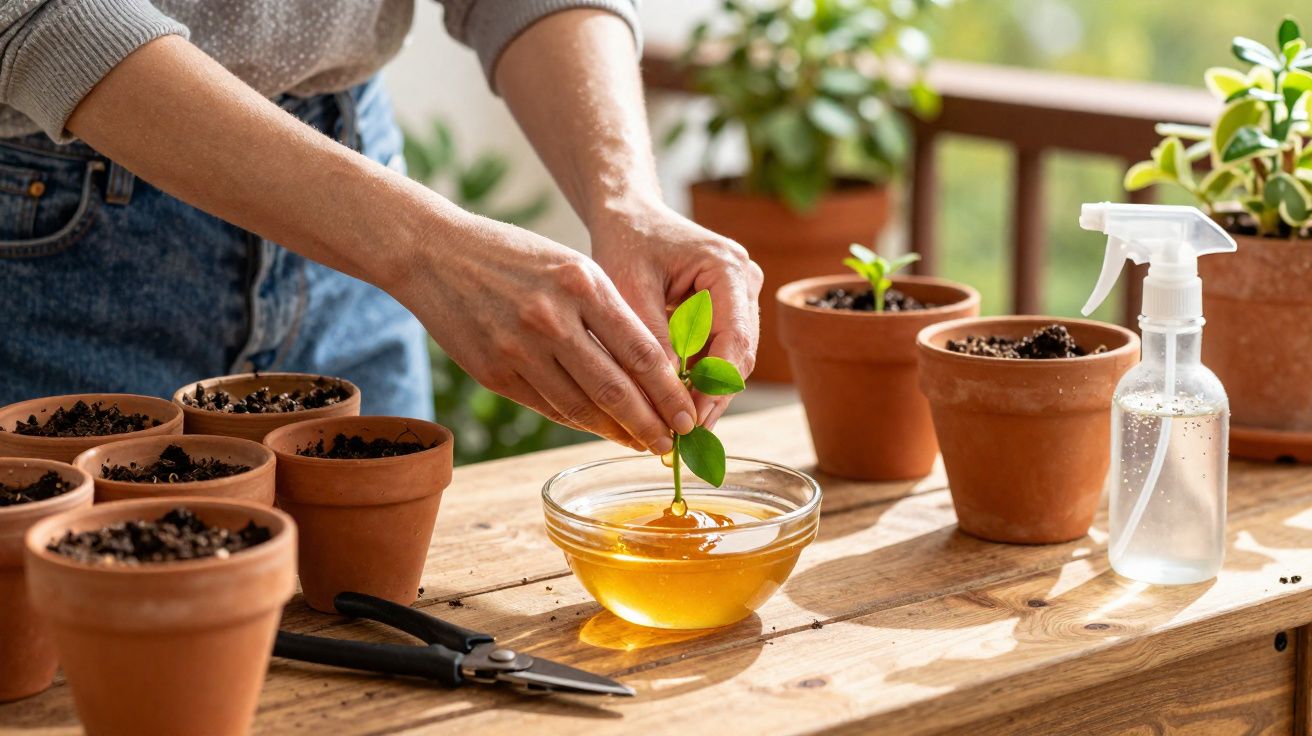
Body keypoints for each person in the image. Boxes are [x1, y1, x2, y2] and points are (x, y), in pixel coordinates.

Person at [0, 1, 763, 455]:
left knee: (383, 650)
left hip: (353, 192)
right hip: (52, 230)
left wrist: (626, 200)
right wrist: (426, 249)